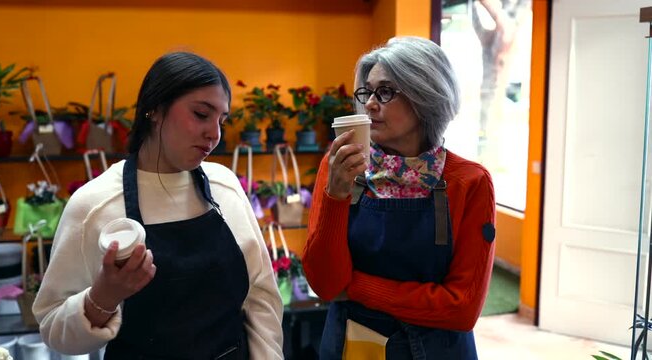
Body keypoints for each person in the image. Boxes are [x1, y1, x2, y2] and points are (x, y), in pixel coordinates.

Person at [33, 52, 284, 359]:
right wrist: (103, 297)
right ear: (155, 108)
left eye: (222, 120)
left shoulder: (226, 188)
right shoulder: (94, 206)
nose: (214, 134)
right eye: (202, 114)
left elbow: (261, 298)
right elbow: (53, 329)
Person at [302, 36, 496, 359]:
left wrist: (358, 288)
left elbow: (462, 308)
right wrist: (336, 195)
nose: (370, 104)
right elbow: (326, 284)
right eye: (367, 92)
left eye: (386, 91)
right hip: (350, 347)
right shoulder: (340, 167)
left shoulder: (470, 182)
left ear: (426, 96)